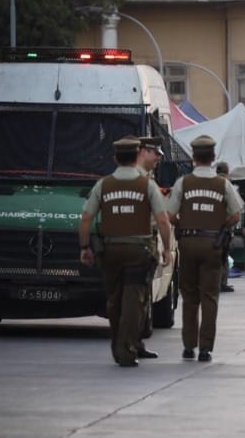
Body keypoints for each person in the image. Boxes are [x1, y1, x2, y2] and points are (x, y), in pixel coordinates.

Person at [78, 137, 172, 367]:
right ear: (137, 154)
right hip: (139, 250)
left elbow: (86, 218)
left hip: (110, 250)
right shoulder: (146, 184)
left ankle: (118, 345)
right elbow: (162, 219)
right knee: (134, 301)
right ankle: (126, 349)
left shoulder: (103, 184)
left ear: (114, 158)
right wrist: (167, 248)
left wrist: (84, 247)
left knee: (115, 300)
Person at [167, 136, 243, 362]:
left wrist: (183, 226)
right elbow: (236, 214)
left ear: (193, 157)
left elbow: (170, 214)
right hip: (213, 244)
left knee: (189, 297)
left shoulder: (183, 182)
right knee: (210, 297)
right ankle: (205, 348)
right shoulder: (223, 184)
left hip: (188, 243)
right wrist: (220, 226)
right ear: (212, 158)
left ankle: (188, 346)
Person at [133, 136, 166, 358]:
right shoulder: (142, 181)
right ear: (144, 151)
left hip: (134, 245)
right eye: (156, 154)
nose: (158, 159)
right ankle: (129, 345)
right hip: (140, 245)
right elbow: (161, 218)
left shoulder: (144, 178)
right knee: (136, 298)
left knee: (139, 297)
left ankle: (135, 343)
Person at [215, 161, 237, 292]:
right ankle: (222, 282)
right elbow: (236, 211)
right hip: (225, 224)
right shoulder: (227, 184)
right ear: (227, 171)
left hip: (211, 225)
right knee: (223, 256)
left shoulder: (211, 182)